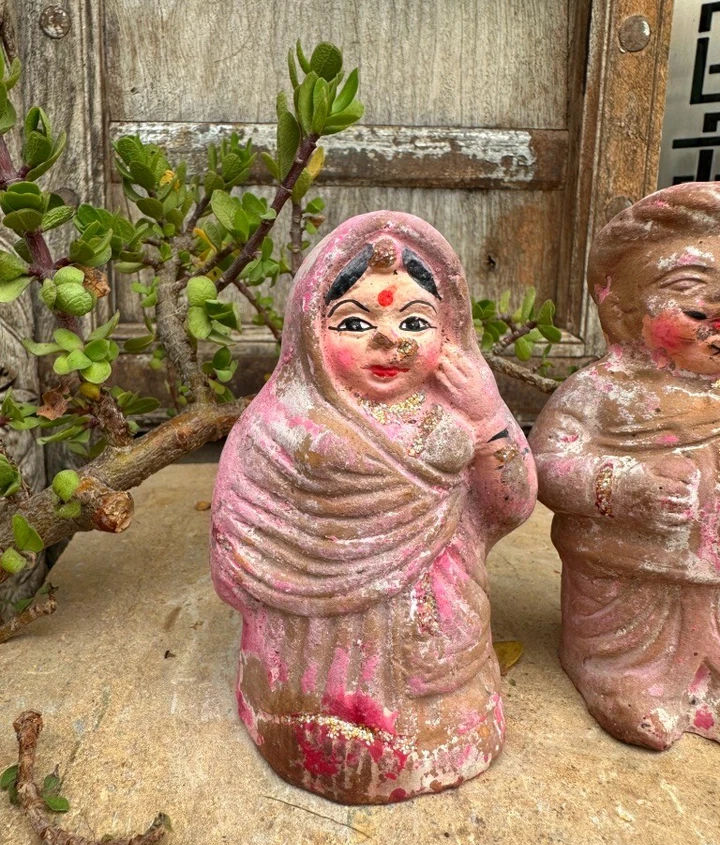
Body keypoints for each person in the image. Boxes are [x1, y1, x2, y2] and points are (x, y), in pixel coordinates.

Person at [211, 211, 536, 803]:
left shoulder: (462, 412)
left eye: (415, 320)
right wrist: (302, 567)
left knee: (441, 707)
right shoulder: (275, 428)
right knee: (325, 714)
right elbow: (239, 545)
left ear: (452, 331)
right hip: (312, 651)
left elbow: (512, 507)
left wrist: (490, 419)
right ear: (311, 331)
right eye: (355, 322)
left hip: (439, 637)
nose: (390, 341)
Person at [530, 182, 720, 750]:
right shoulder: (600, 391)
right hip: (624, 578)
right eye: (697, 310)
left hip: (708, 567)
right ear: (619, 310)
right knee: (633, 647)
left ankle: (704, 685)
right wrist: (623, 485)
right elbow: (543, 464)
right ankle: (619, 680)